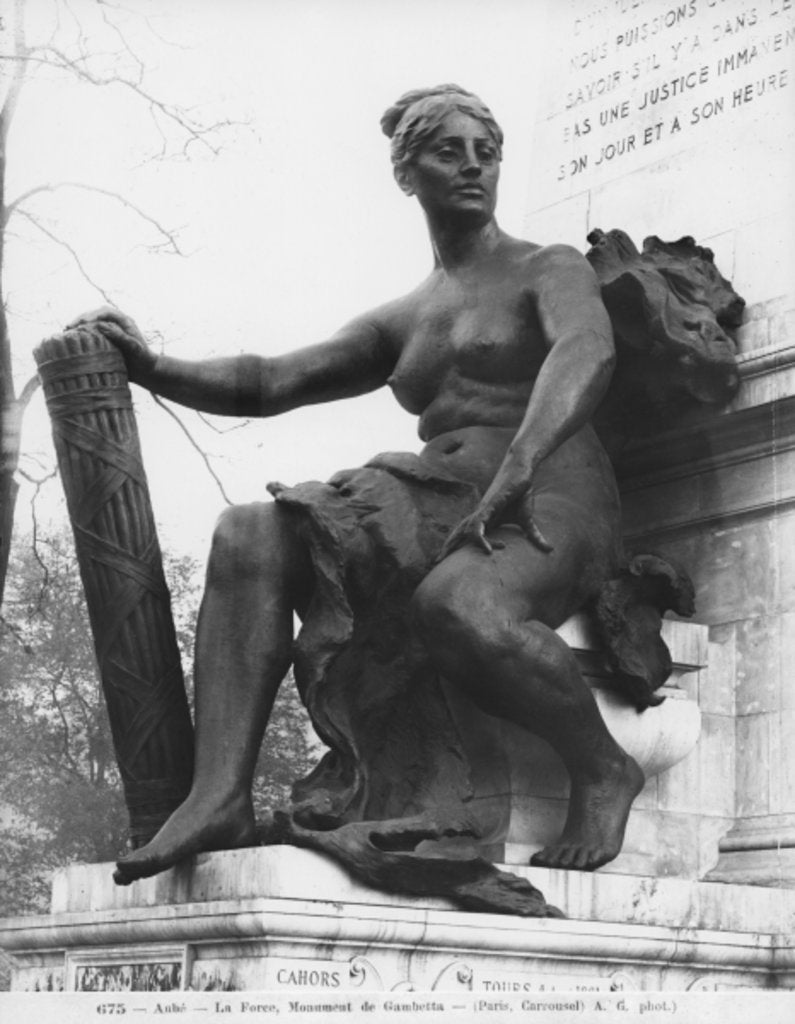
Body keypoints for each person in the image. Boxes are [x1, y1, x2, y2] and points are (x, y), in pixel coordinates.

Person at [73, 84, 644, 884]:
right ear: (406, 174)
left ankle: (603, 767)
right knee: (250, 530)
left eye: (485, 152)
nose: (472, 166)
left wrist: (518, 466)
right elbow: (272, 380)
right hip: (437, 493)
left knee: (459, 606)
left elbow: (586, 349)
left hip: (551, 492)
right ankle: (218, 795)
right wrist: (150, 365)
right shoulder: (405, 317)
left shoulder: (544, 268)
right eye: (448, 152)